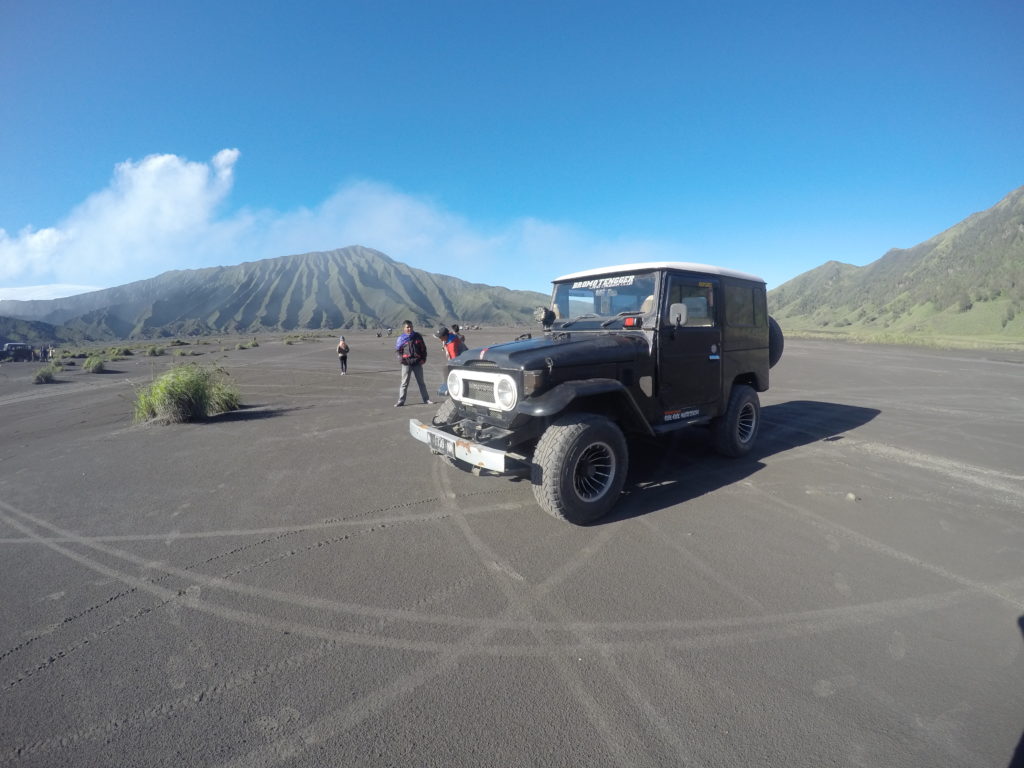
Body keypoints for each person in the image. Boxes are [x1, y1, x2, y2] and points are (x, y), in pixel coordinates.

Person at [394, 320, 433, 407]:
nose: (409, 328)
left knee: (421, 382)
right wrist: (401, 359)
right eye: (407, 327)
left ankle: (426, 399)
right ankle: (401, 401)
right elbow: (398, 351)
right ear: (404, 328)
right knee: (404, 383)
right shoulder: (401, 339)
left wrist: (423, 359)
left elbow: (423, 348)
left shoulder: (417, 336)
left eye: (411, 326)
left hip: (417, 363)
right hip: (406, 363)